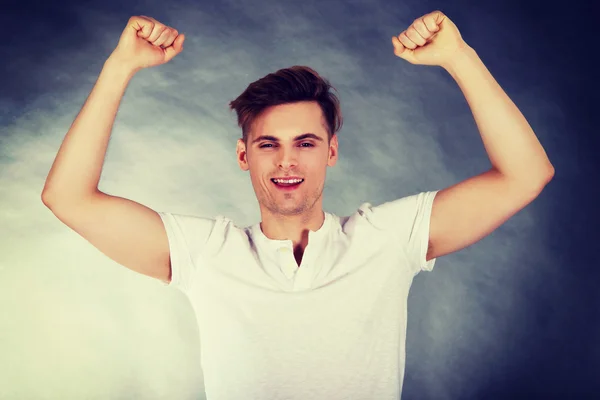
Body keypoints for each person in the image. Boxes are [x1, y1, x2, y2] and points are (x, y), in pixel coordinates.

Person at [41, 10, 554, 400]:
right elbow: (67, 197)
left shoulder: (387, 239)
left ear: (331, 152)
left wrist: (458, 57)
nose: (287, 161)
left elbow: (526, 174)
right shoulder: (205, 253)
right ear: (244, 156)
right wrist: (120, 66)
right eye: (268, 144)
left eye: (306, 143)